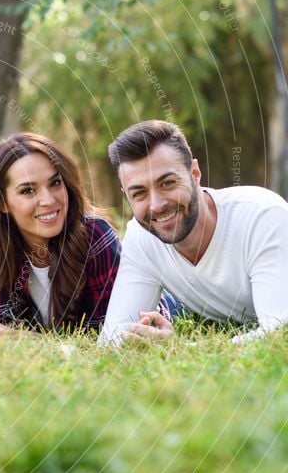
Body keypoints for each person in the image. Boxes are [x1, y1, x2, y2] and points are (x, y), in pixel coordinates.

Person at [99, 119, 288, 345]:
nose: (157, 205)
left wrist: (182, 348)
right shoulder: (142, 238)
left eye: (167, 183)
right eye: (139, 193)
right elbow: (114, 335)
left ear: (195, 173)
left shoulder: (262, 217)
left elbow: (279, 330)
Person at [0, 132, 128, 336]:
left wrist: (33, 340)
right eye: (28, 191)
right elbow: (4, 324)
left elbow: (112, 334)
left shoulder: (95, 236)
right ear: (1, 203)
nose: (48, 200)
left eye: (55, 183)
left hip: (168, 307)